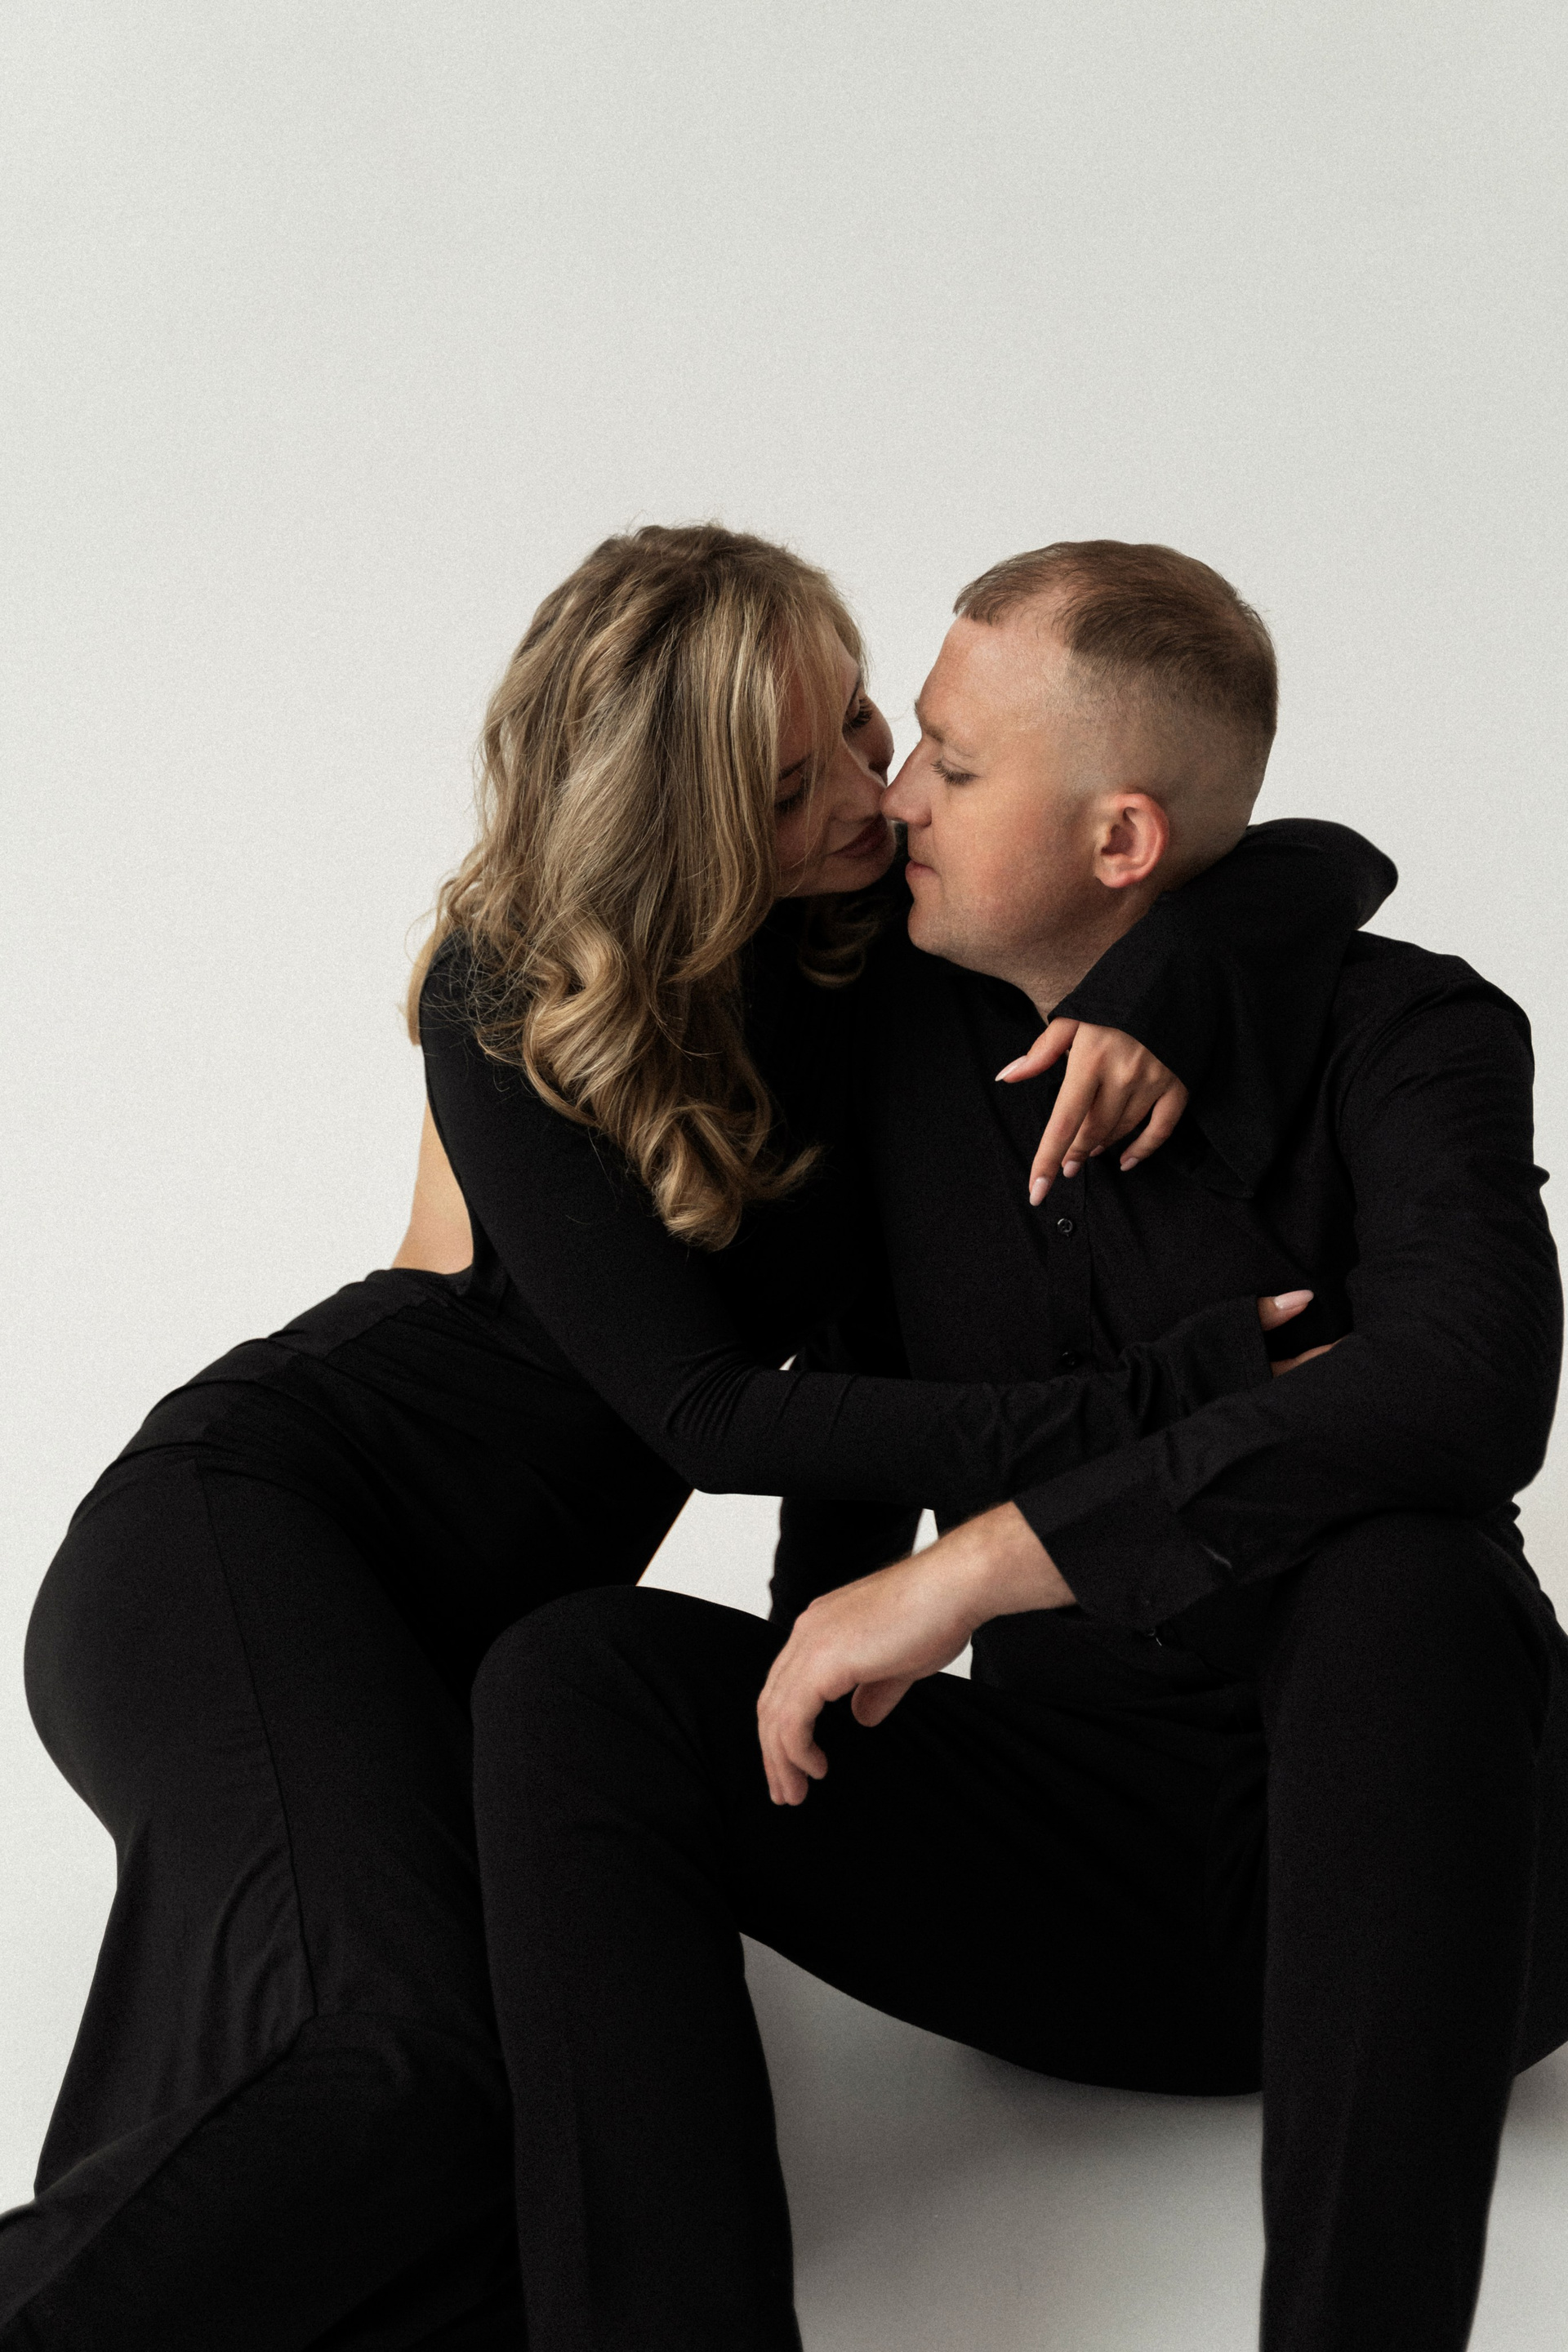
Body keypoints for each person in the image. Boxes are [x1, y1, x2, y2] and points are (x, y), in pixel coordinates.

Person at [0, 528, 1388, 2350]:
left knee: (488, 2169)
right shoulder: (506, 992)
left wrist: (1152, 990)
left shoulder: (870, 971)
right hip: (252, 1540)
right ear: (683, 812)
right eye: (792, 782)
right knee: (394, 2051)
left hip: (456, 1666)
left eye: (864, 727)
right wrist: (1158, 1399)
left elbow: (1315, 861)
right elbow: (714, 1416)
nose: (870, 795)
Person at [468, 540, 1567, 2352]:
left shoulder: (1412, 1034)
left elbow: (1470, 1391)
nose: (896, 795)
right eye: (909, 741)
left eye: (954, 767)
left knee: (1407, 1574)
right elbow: (858, 1365)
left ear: (1122, 840)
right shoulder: (898, 1032)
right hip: (1091, 1880)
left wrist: (979, 1564)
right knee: (569, 1681)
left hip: (1452, 1888)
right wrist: (823, 1642)